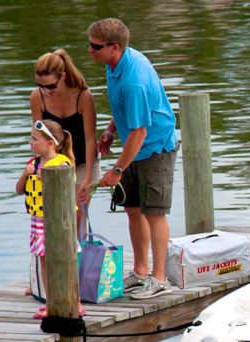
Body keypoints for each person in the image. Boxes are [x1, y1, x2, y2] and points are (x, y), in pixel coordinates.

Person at [87, 18, 179, 300]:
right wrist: (110, 130)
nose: (90, 50)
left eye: (95, 46)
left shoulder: (134, 80)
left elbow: (140, 131)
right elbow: (123, 108)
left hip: (154, 148)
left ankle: (159, 278)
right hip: (132, 145)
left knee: (154, 212)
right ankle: (140, 271)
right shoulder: (113, 64)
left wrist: (116, 169)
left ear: (115, 47)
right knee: (132, 209)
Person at [16, 119, 86, 319]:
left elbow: (62, 192)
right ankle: (50, 301)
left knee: (64, 259)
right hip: (38, 220)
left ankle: (75, 301)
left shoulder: (62, 163)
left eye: (35, 139)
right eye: (31, 138)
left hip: (59, 221)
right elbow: (19, 190)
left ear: (50, 143)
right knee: (44, 260)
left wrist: (42, 177)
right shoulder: (32, 164)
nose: (31, 143)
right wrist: (25, 174)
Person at [30, 48, 101, 234]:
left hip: (84, 162)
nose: (46, 91)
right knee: (55, 216)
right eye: (40, 85)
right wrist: (39, 167)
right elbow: (39, 139)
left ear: (62, 76)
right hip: (54, 165)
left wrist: (86, 179)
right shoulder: (37, 97)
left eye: (51, 86)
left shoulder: (83, 96)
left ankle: (78, 258)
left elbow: (91, 139)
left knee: (77, 216)